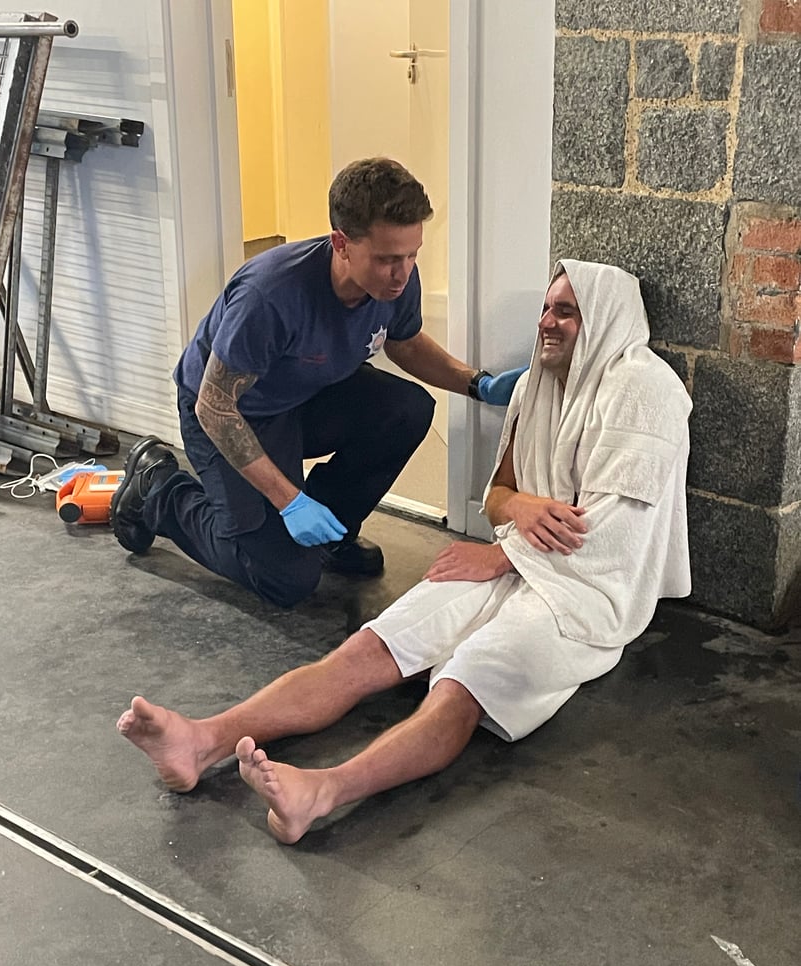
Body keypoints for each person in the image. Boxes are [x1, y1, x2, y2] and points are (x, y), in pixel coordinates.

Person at [117, 260, 692, 844]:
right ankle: (201, 739)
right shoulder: (537, 385)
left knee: (465, 682)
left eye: (565, 312)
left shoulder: (647, 394)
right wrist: (518, 510)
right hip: (516, 558)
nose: (546, 322)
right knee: (369, 648)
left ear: (606, 321)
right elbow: (498, 498)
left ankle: (323, 791)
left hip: (582, 591)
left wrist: (500, 555)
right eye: (546, 308)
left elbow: (613, 534)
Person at [109, 158, 524, 607]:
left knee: (407, 410)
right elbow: (214, 406)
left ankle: (331, 535)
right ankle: (158, 490)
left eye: (412, 255)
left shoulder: (396, 281)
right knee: (283, 578)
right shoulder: (271, 295)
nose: (402, 273)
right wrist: (290, 502)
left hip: (303, 395)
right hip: (231, 414)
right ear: (341, 244)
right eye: (387, 259)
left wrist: (477, 384)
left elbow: (403, 343)